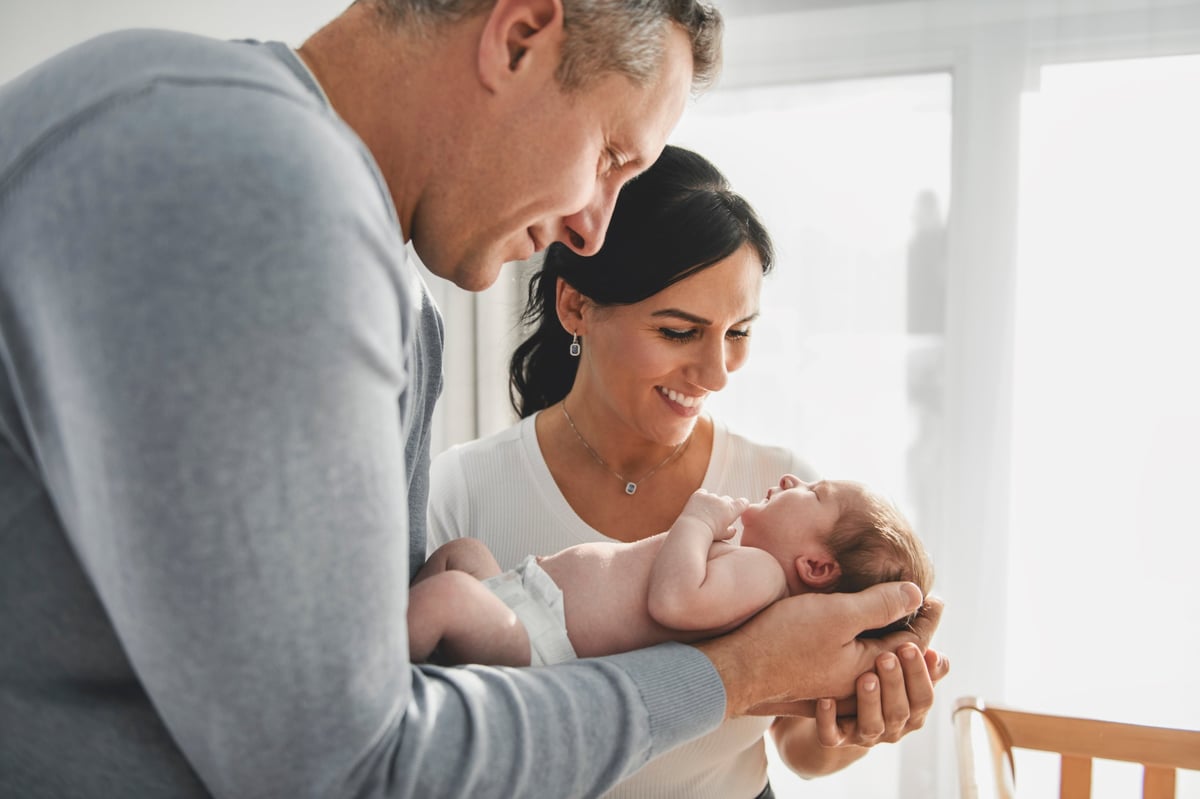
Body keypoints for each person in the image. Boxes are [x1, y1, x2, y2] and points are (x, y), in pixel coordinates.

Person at [0, 1, 943, 797]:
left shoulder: (163, 100)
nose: (592, 223)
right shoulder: (271, 202)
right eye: (613, 155)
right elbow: (355, 765)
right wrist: (732, 675)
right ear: (521, 34)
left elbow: (391, 676)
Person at [428, 144, 948, 798]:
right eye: (680, 332)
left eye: (739, 332)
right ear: (577, 307)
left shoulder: (783, 487)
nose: (717, 373)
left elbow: (799, 749)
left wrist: (862, 713)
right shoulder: (462, 492)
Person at [413, 475, 934, 666]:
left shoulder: (761, 577)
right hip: (525, 600)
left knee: (450, 596)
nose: (793, 478)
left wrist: (698, 518)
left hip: (541, 641)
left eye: (814, 493)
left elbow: (674, 601)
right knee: (462, 555)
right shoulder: (745, 564)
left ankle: (358, 684)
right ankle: (416, 664)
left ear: (816, 566)